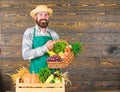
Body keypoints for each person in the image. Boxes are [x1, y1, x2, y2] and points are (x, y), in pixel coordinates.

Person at [22, 5, 59, 74]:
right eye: (40, 15)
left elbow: (58, 56)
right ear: (35, 17)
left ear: (48, 17)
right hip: (35, 74)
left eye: (46, 15)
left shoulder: (54, 34)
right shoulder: (29, 32)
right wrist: (46, 48)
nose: (43, 17)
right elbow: (26, 54)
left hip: (53, 75)